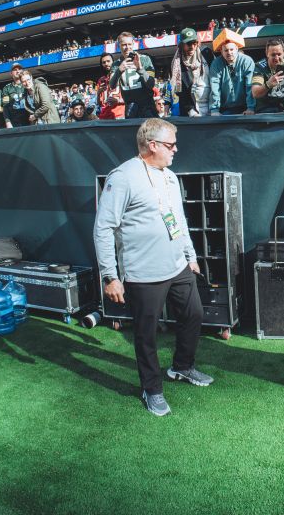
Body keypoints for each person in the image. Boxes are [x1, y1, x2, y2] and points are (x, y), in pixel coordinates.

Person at [94, 119, 213, 416]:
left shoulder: (170, 177)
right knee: (146, 334)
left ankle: (182, 367)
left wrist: (191, 255)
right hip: (142, 273)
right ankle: (152, 388)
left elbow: (179, 220)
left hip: (178, 266)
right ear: (153, 146)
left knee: (194, 314)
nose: (176, 150)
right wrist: (110, 276)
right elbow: (103, 228)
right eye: (171, 145)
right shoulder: (122, 177)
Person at [109, 32, 158, 119]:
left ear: (133, 44)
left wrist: (140, 69)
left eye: (129, 44)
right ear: (118, 46)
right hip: (130, 108)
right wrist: (119, 70)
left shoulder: (144, 59)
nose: (127, 48)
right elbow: (112, 85)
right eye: (124, 45)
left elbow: (151, 84)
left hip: (147, 107)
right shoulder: (116, 64)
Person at [208, 29, 256, 116]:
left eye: (231, 49)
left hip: (245, 107)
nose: (229, 53)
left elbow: (250, 85)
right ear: (221, 52)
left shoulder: (247, 61)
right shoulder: (216, 64)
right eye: (226, 50)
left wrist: (250, 108)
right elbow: (214, 86)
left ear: (237, 49)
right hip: (225, 108)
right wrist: (214, 109)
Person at [251, 39, 284, 114]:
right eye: (273, 55)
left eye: (279, 54)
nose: (276, 58)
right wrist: (268, 84)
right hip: (266, 108)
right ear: (267, 54)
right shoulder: (259, 67)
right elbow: (255, 93)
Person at [168, 28, 210, 117]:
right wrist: (190, 110)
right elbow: (179, 90)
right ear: (181, 45)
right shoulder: (177, 63)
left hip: (210, 105)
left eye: (194, 43)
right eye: (188, 43)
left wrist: (215, 108)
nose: (192, 46)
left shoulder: (206, 53)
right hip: (191, 110)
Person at [94, 53, 126, 120]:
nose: (106, 64)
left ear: (113, 62)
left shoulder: (122, 75)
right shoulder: (101, 80)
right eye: (104, 62)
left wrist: (118, 100)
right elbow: (100, 104)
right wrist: (98, 93)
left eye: (108, 61)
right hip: (104, 116)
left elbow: (131, 98)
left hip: (119, 114)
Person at [0, 64, 31, 128]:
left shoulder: (28, 84)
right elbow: (5, 107)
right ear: (11, 73)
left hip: (30, 120)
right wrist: (7, 122)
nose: (18, 71)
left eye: (19, 69)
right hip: (15, 122)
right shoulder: (7, 88)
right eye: (15, 70)